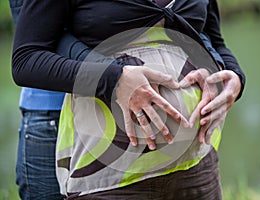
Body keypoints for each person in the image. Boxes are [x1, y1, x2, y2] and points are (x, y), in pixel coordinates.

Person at [12, 0, 245, 199]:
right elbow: (36, 44)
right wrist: (114, 76)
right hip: (75, 132)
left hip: (192, 158)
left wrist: (229, 74)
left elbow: (207, 35)